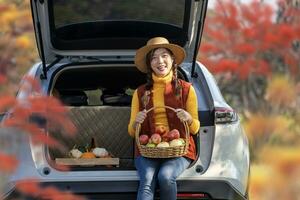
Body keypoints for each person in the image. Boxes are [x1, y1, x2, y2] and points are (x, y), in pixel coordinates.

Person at [128, 37, 200, 200]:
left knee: (166, 176)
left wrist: (188, 118)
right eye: (153, 57)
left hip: (179, 150)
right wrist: (136, 122)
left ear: (172, 59)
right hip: (148, 149)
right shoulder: (139, 93)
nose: (159, 61)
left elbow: (195, 129)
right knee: (147, 179)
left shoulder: (187, 90)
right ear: (149, 64)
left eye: (164, 55)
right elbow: (132, 132)